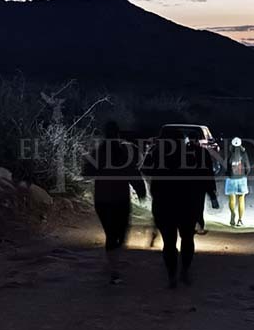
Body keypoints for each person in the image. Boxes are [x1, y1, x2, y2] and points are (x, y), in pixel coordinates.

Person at [142, 131, 220, 288]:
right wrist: (211, 195)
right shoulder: (196, 154)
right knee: (187, 238)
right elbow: (206, 175)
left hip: (164, 204)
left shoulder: (158, 153)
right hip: (188, 204)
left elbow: (145, 169)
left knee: (169, 243)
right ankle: (184, 270)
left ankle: (172, 276)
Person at [82, 121, 147, 285]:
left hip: (102, 199)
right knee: (120, 232)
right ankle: (114, 265)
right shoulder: (124, 151)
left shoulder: (98, 152)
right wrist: (141, 190)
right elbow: (132, 172)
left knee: (111, 234)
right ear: (118, 134)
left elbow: (87, 172)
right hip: (120, 199)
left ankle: (114, 268)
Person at [224, 137, 250, 227]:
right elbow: (248, 168)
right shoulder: (244, 154)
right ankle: (240, 220)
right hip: (242, 179)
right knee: (241, 200)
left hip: (231, 179)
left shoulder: (229, 154)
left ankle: (232, 215)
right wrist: (245, 175)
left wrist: (228, 174)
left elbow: (226, 167)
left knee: (232, 199)